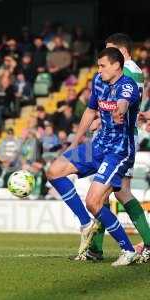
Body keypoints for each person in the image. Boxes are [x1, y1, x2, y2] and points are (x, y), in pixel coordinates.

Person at [46, 48, 140, 266]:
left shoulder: (128, 85)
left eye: (102, 65)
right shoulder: (98, 81)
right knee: (54, 171)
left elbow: (124, 103)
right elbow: (90, 111)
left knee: (93, 201)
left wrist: (120, 111)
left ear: (117, 65)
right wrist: (76, 140)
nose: (99, 70)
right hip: (97, 145)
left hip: (118, 151)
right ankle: (86, 224)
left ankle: (128, 250)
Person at [86, 33, 150, 262]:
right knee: (110, 194)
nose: (105, 58)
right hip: (115, 135)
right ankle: (95, 248)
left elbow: (120, 103)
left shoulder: (129, 71)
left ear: (122, 53)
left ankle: (97, 248)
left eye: (110, 52)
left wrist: (100, 120)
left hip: (119, 139)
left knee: (116, 193)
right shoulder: (134, 71)